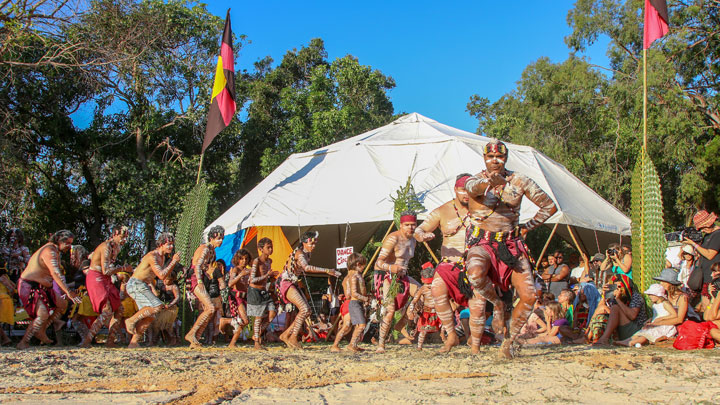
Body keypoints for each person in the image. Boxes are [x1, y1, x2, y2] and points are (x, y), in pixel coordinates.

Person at [458, 139, 558, 358]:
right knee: (474, 274)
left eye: (500, 157)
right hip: (482, 242)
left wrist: (527, 228)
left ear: (506, 158)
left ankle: (509, 342)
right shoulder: (475, 180)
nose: (495, 161)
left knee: (530, 296)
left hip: (511, 245)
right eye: (490, 157)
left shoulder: (520, 181)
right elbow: (472, 189)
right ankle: (497, 303)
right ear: (484, 158)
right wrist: (490, 183)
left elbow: (549, 206)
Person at [17, 230, 81, 349]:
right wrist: (68, 291)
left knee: (62, 304)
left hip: (43, 287)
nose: (69, 246)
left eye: (70, 243)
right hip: (30, 286)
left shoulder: (55, 251)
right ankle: (24, 342)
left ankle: (42, 329)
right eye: (67, 243)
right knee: (42, 314)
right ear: (58, 240)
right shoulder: (49, 250)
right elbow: (55, 273)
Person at [278, 231, 341, 349]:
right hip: (286, 283)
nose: (314, 246)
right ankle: (292, 337)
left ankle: (286, 335)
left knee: (307, 311)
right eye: (311, 244)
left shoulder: (307, 254)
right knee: (304, 308)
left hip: (293, 283)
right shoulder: (300, 253)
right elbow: (306, 268)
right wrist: (327, 270)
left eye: (314, 244)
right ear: (304, 243)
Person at [374, 214, 422, 353]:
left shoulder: (413, 240)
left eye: (413, 224)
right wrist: (391, 268)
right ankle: (381, 344)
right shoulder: (392, 238)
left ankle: (401, 325)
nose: (411, 227)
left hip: (403, 276)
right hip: (387, 276)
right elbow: (379, 262)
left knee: (423, 295)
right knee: (389, 311)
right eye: (407, 225)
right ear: (401, 225)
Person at [124, 232, 180, 348]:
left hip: (143, 285)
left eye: (172, 244)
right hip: (136, 284)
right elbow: (161, 275)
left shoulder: (162, 257)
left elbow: (154, 276)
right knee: (157, 306)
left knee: (150, 317)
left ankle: (133, 343)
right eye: (168, 244)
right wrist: (174, 262)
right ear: (161, 244)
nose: (171, 247)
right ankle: (131, 320)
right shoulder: (152, 256)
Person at [80, 226, 131, 348]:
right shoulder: (106, 246)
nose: (124, 240)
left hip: (105, 279)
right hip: (96, 277)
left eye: (126, 237)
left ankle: (110, 340)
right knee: (107, 310)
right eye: (122, 237)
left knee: (119, 309)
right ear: (115, 234)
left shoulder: (116, 248)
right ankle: (87, 340)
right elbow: (106, 270)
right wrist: (124, 269)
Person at [184, 225, 224, 348]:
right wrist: (200, 281)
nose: (220, 241)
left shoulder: (213, 251)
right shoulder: (205, 248)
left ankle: (195, 338)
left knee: (209, 310)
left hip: (202, 278)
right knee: (210, 308)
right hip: (196, 278)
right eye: (218, 238)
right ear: (211, 238)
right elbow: (197, 265)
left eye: (222, 238)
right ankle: (191, 334)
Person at [593, 274, 648, 345]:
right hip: (621, 329)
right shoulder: (614, 297)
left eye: (620, 287)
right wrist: (604, 295)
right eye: (615, 287)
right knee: (601, 313)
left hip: (636, 330)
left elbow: (632, 316)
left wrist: (618, 300)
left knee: (615, 308)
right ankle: (588, 336)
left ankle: (604, 338)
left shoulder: (636, 296)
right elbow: (600, 308)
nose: (618, 290)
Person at [331, 253, 369, 352]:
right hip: (350, 302)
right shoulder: (354, 275)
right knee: (350, 326)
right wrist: (365, 298)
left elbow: (348, 293)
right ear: (358, 264)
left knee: (348, 326)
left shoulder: (347, 277)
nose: (364, 268)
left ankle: (350, 344)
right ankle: (348, 345)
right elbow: (351, 294)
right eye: (363, 265)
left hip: (349, 302)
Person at [246, 237, 277, 350]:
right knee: (258, 317)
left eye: (271, 247)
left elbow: (266, 277)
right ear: (261, 249)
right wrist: (266, 275)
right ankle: (257, 342)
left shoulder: (269, 261)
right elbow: (252, 280)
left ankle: (257, 335)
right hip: (255, 291)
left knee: (272, 313)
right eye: (268, 247)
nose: (270, 249)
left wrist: (271, 277)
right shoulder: (256, 261)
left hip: (264, 291)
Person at [683, 210, 720, 296]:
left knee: (711, 305)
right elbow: (702, 252)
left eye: (702, 228)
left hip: (714, 278)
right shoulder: (707, 235)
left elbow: (710, 255)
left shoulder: (717, 235)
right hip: (705, 276)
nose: (702, 231)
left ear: (708, 224)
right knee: (705, 305)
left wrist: (693, 244)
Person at [220, 249, 251, 348]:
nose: (244, 261)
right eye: (241, 259)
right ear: (237, 259)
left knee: (243, 321)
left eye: (246, 259)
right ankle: (225, 321)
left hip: (245, 297)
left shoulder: (248, 270)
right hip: (237, 297)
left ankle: (232, 343)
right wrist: (240, 275)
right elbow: (230, 283)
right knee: (245, 320)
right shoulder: (235, 270)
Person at [408, 265, 442, 351]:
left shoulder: (439, 287)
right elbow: (414, 301)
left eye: (430, 283)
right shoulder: (422, 289)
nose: (429, 286)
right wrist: (411, 311)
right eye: (427, 284)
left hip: (438, 312)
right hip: (427, 313)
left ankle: (447, 341)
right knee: (423, 331)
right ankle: (419, 346)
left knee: (445, 328)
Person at [0, 261, 16, 345]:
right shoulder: (5, 277)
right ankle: (5, 339)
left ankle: (5, 338)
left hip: (2, 300)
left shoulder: (2, 278)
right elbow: (14, 286)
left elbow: (12, 289)